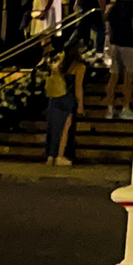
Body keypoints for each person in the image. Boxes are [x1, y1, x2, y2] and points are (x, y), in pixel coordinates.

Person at [43, 30, 88, 166]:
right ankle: (60, 155)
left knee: (53, 127)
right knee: (64, 129)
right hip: (67, 99)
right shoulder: (79, 67)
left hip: (55, 98)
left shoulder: (58, 66)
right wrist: (80, 105)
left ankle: (50, 155)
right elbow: (78, 87)